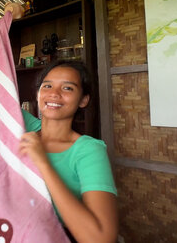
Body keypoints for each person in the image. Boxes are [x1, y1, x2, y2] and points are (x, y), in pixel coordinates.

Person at [18, 60, 118, 242]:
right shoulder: (22, 124)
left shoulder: (88, 150)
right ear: (38, 93)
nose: (54, 94)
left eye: (68, 88)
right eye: (47, 86)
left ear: (83, 100)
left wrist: (42, 162)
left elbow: (101, 238)